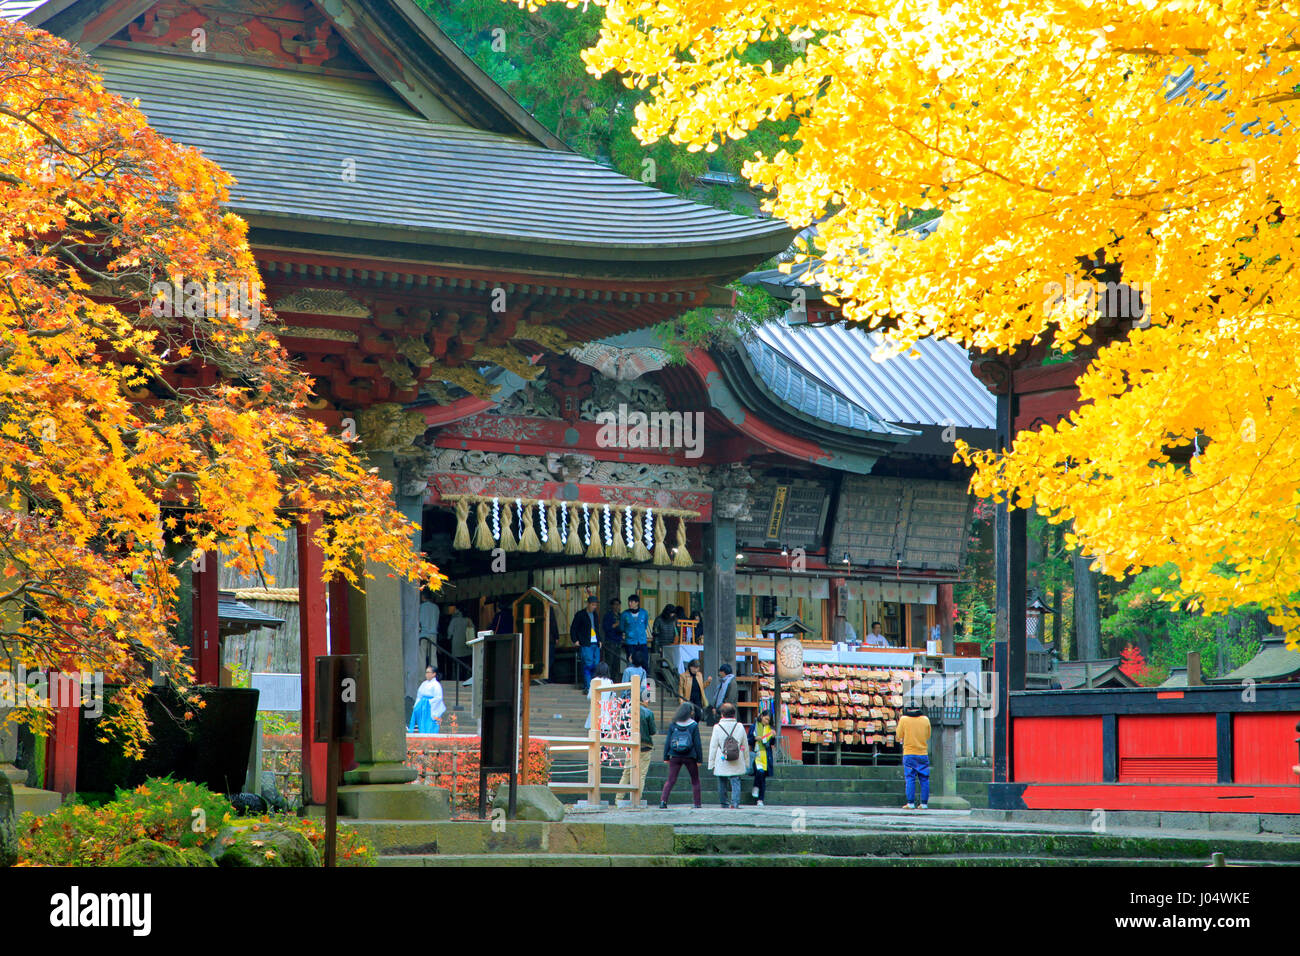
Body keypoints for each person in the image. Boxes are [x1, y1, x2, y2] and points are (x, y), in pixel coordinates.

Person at [617, 685, 656, 807]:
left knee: (627, 773)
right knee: (641, 775)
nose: (648, 701)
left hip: (630, 746)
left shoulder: (627, 711)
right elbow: (652, 731)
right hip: (645, 746)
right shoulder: (649, 713)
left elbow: (622, 729)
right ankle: (636, 799)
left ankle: (618, 799)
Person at [659, 702, 703, 809]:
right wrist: (699, 759)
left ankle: (663, 801)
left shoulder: (673, 724)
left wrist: (666, 756)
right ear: (690, 712)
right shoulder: (693, 725)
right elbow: (697, 743)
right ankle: (697, 803)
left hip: (675, 755)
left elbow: (668, 741)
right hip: (690, 756)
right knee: (695, 780)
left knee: (671, 780)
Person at [708, 702, 750, 808]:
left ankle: (724, 803)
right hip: (736, 757)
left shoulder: (717, 727)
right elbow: (745, 744)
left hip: (722, 758)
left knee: (722, 781)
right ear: (734, 714)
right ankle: (735, 803)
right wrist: (747, 761)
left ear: (722, 714)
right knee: (735, 780)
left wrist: (711, 763)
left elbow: (713, 746)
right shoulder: (740, 726)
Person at [897, 703, 932, 809]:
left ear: (908, 709)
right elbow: (928, 735)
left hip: (909, 753)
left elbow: (899, 735)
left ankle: (910, 803)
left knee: (910, 778)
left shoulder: (904, 719)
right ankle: (924, 804)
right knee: (924, 779)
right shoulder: (925, 719)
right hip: (922, 753)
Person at [570, 595, 603, 692]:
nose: (594, 607)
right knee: (588, 664)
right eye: (593, 605)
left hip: (595, 642)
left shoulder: (595, 615)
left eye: (595, 605)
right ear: (588, 604)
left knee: (596, 665)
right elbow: (573, 628)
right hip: (585, 642)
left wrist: (599, 640)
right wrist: (575, 640)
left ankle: (593, 685)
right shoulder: (580, 614)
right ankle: (588, 686)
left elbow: (597, 628)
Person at [749, 709, 776, 806]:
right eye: (765, 719)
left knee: (763, 777)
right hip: (756, 754)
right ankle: (756, 787)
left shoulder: (770, 729)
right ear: (761, 717)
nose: (766, 721)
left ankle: (760, 799)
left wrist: (773, 737)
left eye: (768, 720)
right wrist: (755, 738)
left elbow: (772, 743)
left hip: (766, 755)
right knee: (759, 772)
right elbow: (749, 740)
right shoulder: (754, 727)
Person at [407, 665, 445, 734]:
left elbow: (438, 697)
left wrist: (428, 702)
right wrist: (417, 705)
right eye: (426, 672)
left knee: (430, 726)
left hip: (431, 708)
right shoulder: (424, 684)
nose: (426, 674)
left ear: (434, 674)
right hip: (423, 707)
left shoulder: (436, 685)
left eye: (428, 672)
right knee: (422, 726)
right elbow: (419, 696)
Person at [620, 593, 649, 667]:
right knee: (631, 662)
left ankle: (644, 677)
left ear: (637, 603)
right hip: (630, 643)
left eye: (632, 602)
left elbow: (645, 625)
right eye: (629, 601)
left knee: (644, 662)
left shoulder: (644, 613)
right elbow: (622, 627)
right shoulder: (624, 614)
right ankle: (631, 678)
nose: (629, 603)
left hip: (642, 642)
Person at [679, 658, 711, 722]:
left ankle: (695, 725)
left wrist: (708, 682)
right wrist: (681, 701)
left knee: (698, 714)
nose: (695, 670)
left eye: (697, 668)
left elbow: (701, 687)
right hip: (688, 698)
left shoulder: (699, 675)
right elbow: (680, 690)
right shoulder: (683, 676)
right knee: (689, 715)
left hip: (698, 698)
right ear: (690, 667)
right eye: (694, 667)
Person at [584, 662, 613, 731]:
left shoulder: (594, 680)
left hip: (595, 710)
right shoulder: (610, 682)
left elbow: (589, 696)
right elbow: (611, 696)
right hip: (606, 711)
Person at [446, 603, 472, 679]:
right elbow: (472, 631)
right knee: (465, 664)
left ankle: (458, 679)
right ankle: (464, 678)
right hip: (466, 644)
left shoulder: (454, 620)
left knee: (457, 664)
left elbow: (450, 633)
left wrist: (448, 637)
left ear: (458, 610)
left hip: (456, 645)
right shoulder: (468, 620)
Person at [602, 597, 624, 675]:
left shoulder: (621, 616)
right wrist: (615, 625)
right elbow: (605, 628)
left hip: (619, 641)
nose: (617, 606)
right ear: (612, 606)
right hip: (610, 642)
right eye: (615, 604)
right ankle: (608, 679)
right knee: (609, 663)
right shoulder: (608, 616)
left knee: (617, 663)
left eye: (619, 605)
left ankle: (615, 680)